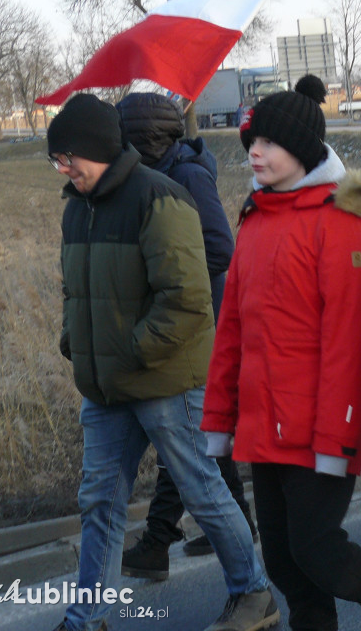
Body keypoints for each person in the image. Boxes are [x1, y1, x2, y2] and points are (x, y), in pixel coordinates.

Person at [47, 94, 275, 631]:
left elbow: (186, 300)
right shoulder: (78, 207)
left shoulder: (160, 199)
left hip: (166, 381)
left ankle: (253, 594)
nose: (62, 168)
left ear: (97, 149)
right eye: (55, 160)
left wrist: (124, 351)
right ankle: (87, 618)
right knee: (99, 499)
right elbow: (75, 291)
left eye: (66, 157)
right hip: (106, 389)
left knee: (202, 490)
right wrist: (74, 340)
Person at [201, 91, 361, 631]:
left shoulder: (338, 220)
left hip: (317, 428)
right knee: (285, 562)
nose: (254, 152)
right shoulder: (256, 219)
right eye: (251, 142)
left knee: (316, 549)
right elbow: (232, 333)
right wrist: (219, 420)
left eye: (268, 142)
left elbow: (352, 340)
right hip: (263, 427)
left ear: (300, 148)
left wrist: (337, 437)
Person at [115, 92, 257, 580]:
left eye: (124, 138)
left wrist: (169, 275)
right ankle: (237, 523)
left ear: (145, 139)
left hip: (202, 321)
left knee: (182, 430)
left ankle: (159, 540)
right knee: (198, 430)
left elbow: (220, 249)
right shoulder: (158, 173)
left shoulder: (186, 175)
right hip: (189, 320)